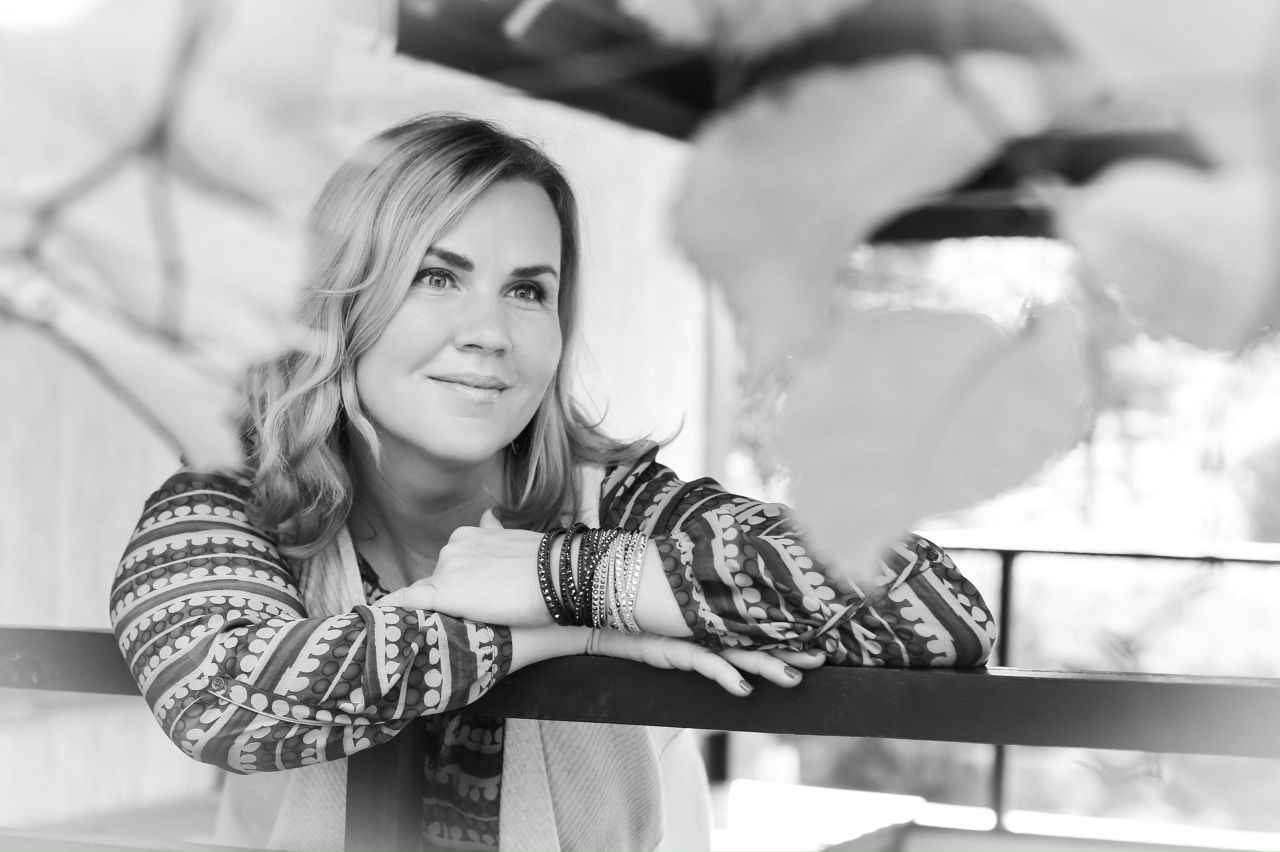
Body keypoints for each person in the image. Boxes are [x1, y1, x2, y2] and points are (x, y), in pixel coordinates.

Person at [110, 113, 998, 852]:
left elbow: (933, 608)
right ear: (340, 299)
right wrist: (565, 635)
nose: (490, 333)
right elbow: (214, 697)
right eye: (437, 276)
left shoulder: (613, 501)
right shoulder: (238, 501)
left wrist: (566, 576)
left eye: (529, 291)